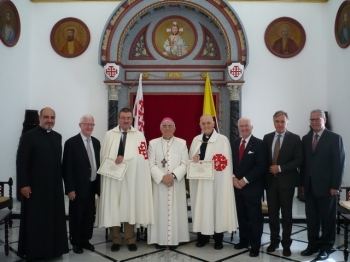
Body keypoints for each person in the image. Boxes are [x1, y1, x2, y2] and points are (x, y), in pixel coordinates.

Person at [96, 107, 153, 252]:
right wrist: (113, 161)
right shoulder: (110, 135)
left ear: (132, 119)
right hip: (113, 179)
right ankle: (116, 239)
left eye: (128, 118)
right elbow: (103, 157)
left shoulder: (139, 135)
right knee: (113, 207)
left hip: (131, 178)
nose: (126, 120)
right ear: (118, 119)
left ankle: (130, 239)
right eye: (123, 117)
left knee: (129, 207)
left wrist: (126, 160)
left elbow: (143, 159)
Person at [16, 107, 69, 260]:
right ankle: (35, 251)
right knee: (36, 222)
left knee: (54, 220)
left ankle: (54, 249)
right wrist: (23, 184)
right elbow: (21, 162)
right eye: (46, 117)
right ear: (40, 118)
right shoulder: (29, 136)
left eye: (52, 117)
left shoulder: (57, 137)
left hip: (54, 188)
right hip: (35, 189)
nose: (49, 120)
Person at [300, 109, 345, 261]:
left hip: (328, 188)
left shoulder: (334, 138)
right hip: (310, 186)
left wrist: (335, 186)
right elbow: (305, 164)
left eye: (317, 119)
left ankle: (326, 247)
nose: (314, 122)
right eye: (312, 119)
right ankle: (312, 244)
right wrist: (302, 184)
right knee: (311, 218)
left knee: (327, 219)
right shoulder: (305, 139)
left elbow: (339, 164)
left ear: (324, 120)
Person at [189, 114, 238, 250]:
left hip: (217, 181)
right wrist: (195, 158)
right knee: (201, 208)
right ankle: (202, 237)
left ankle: (218, 238)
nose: (206, 126)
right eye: (203, 123)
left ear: (213, 123)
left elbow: (227, 163)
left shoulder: (222, 140)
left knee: (217, 208)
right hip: (200, 182)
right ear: (200, 125)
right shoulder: (196, 140)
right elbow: (191, 160)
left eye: (208, 123)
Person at [263, 111, 303, 257]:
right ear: (273, 122)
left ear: (287, 122)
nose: (279, 124)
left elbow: (299, 160)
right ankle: (274, 241)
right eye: (277, 121)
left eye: (282, 121)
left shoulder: (295, 139)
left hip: (287, 183)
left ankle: (287, 244)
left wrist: (280, 168)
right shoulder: (267, 138)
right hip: (271, 183)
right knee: (273, 215)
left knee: (286, 215)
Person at [147, 117, 189, 249]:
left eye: (170, 126)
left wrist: (173, 176)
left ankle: (175, 239)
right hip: (160, 184)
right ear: (160, 128)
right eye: (164, 126)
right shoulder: (153, 143)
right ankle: (159, 240)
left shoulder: (182, 143)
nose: (167, 129)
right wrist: (162, 177)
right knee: (159, 211)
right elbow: (151, 163)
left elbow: (185, 163)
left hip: (176, 183)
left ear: (175, 128)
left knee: (176, 211)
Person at [62, 114, 100, 254]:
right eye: (86, 124)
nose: (89, 127)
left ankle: (85, 240)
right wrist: (70, 189)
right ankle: (76, 242)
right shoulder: (71, 143)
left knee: (89, 215)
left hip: (92, 187)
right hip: (77, 188)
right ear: (80, 125)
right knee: (77, 216)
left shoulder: (96, 142)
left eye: (92, 125)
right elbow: (66, 168)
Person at [231, 117, 267, 257]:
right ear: (238, 128)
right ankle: (243, 240)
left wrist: (245, 180)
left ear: (252, 127)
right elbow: (230, 164)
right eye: (241, 126)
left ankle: (255, 245)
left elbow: (261, 166)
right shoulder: (233, 144)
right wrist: (233, 178)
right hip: (236, 187)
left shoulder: (259, 144)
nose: (244, 128)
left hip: (252, 188)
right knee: (241, 216)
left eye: (247, 125)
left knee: (254, 217)